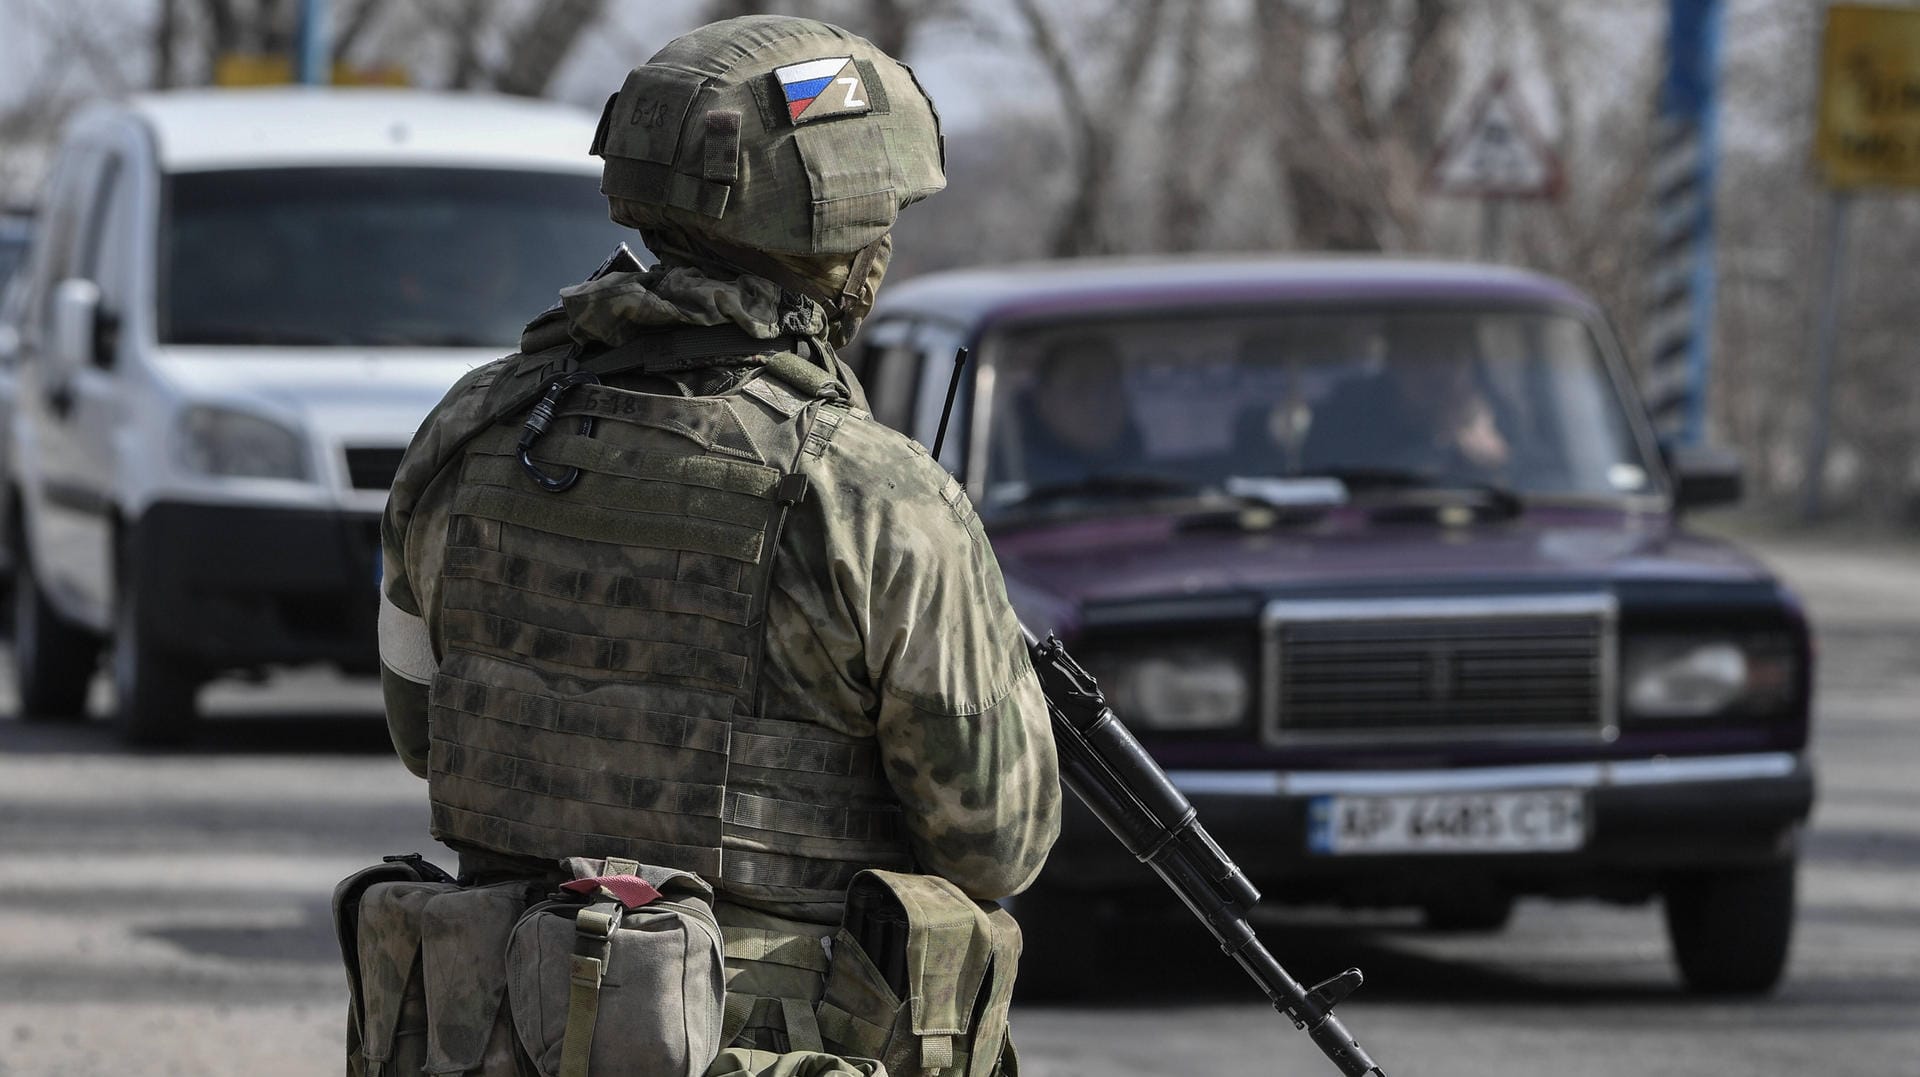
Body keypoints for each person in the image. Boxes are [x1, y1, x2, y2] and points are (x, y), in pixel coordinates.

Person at [374, 16, 1059, 1075]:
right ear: (847, 249)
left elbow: (423, 730)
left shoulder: (474, 430)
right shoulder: (874, 496)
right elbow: (996, 839)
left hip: (494, 1032)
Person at [1299, 317, 1512, 477]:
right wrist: (1438, 442)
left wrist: (1496, 460)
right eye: (1421, 354)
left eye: (1450, 354)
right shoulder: (1348, 415)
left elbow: (1535, 480)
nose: (1437, 369)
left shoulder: (1493, 413)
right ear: (1394, 361)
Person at [1013, 335, 1141, 489]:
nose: (1096, 403)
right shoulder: (1015, 480)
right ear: (1045, 401)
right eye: (1078, 388)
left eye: (1108, 387)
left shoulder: (1160, 480)